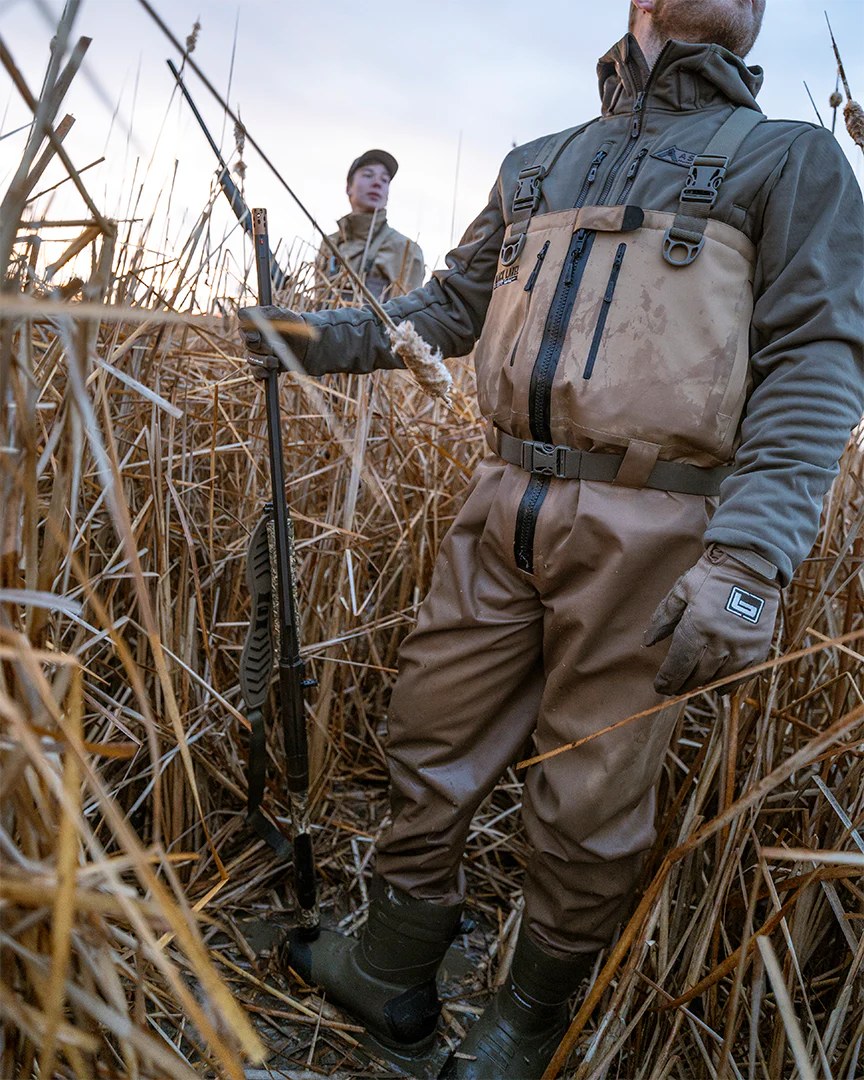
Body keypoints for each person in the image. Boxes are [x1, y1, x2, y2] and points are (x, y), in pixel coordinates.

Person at [240, 0, 864, 1076]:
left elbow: (819, 359)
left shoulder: (792, 161)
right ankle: (390, 970)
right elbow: (448, 308)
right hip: (501, 501)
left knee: (590, 797)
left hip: (662, 533)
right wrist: (315, 339)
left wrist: (752, 560)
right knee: (425, 737)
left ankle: (522, 1029)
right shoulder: (540, 160)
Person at [315, 148, 425, 303]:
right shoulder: (329, 244)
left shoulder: (405, 249)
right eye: (368, 175)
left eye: (384, 180)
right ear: (348, 188)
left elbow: (407, 319)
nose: (377, 183)